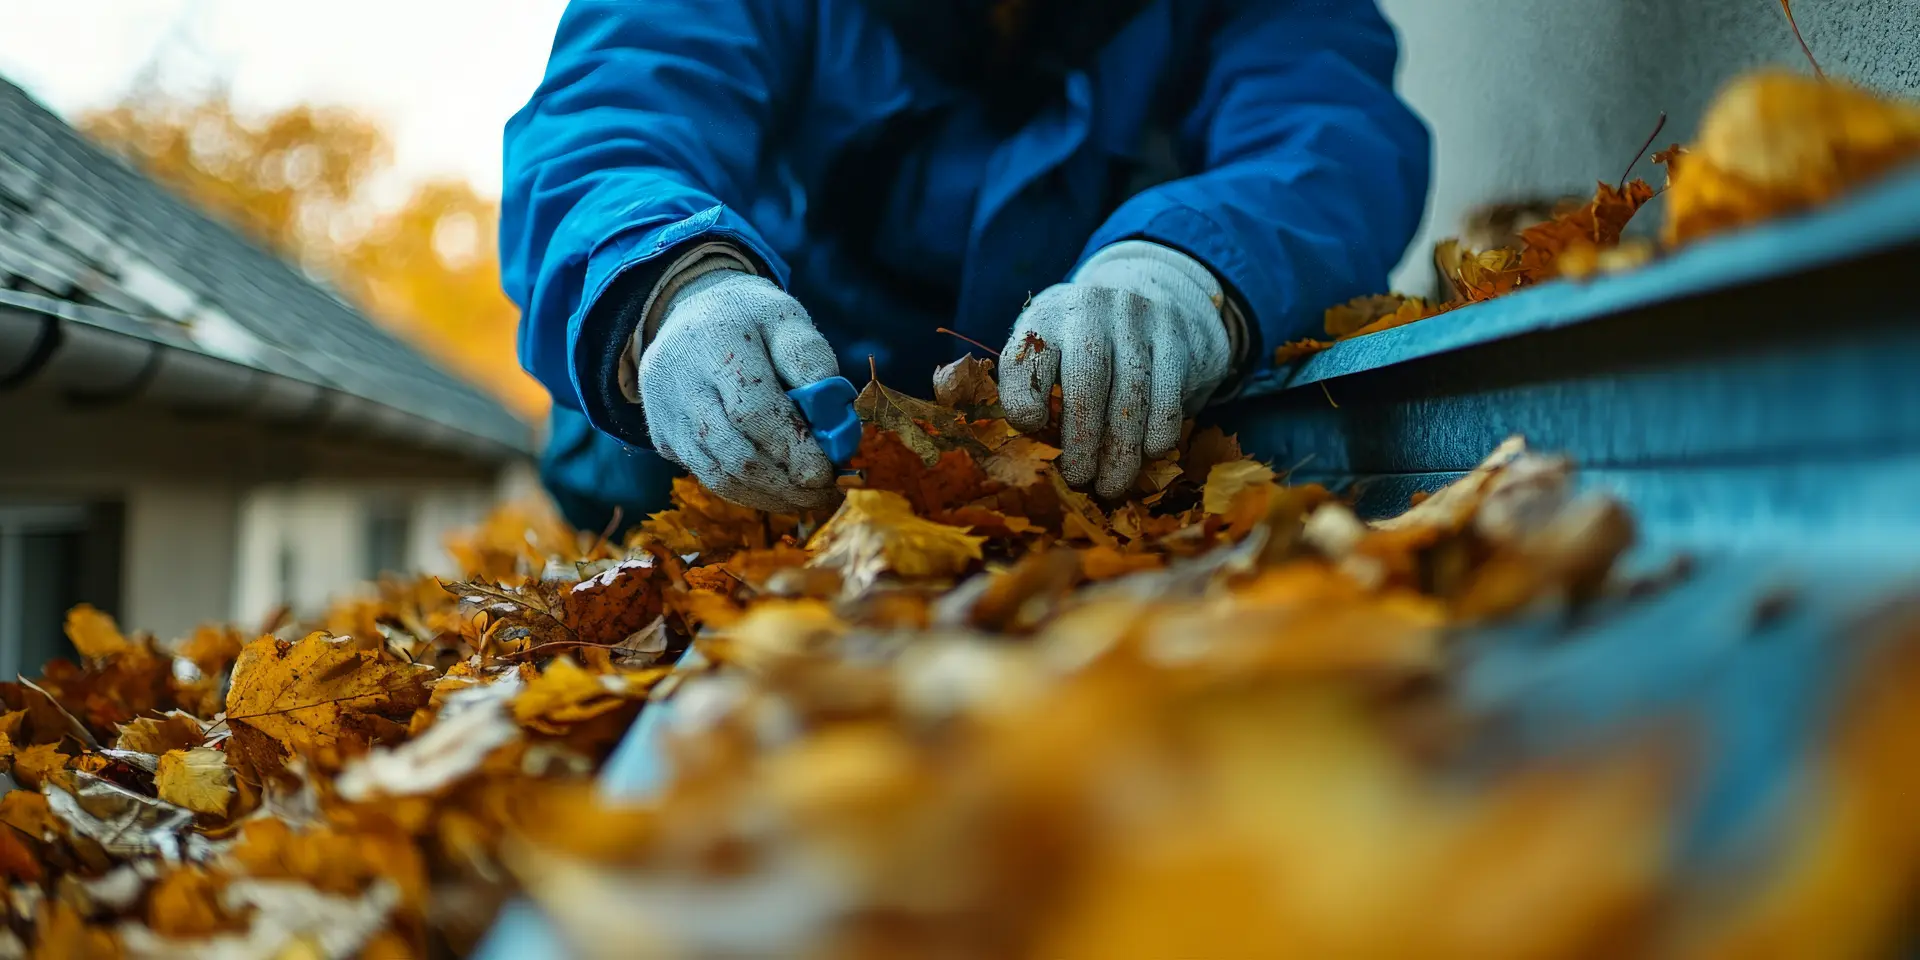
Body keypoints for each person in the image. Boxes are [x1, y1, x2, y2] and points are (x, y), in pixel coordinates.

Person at [502, 0, 1430, 524]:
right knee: (625, 424)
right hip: (802, 377)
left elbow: (1329, 134)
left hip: (1097, 404)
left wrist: (1188, 269)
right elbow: (611, 123)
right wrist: (673, 287)